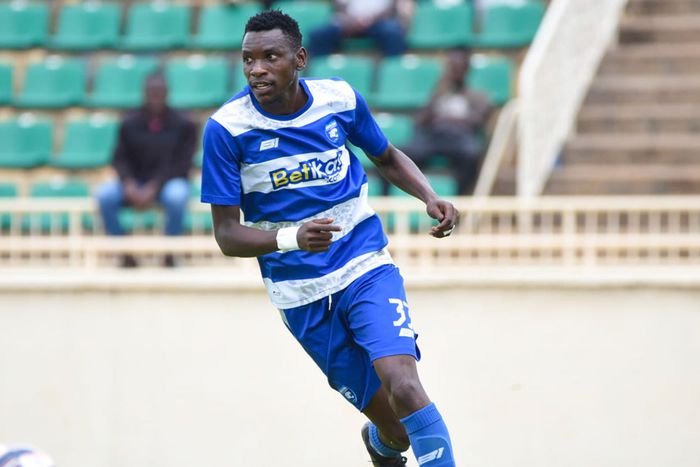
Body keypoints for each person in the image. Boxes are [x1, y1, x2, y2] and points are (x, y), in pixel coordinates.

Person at [201, 11, 458, 466]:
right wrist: (291, 239)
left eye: (270, 57)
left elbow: (385, 155)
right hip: (301, 295)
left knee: (405, 386)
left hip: (364, 264)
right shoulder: (227, 130)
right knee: (398, 431)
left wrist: (429, 195)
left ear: (299, 58)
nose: (257, 69)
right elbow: (226, 235)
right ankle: (381, 443)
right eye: (248, 59)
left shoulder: (338, 99)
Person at [96, 72, 197, 268]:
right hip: (134, 183)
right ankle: (124, 253)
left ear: (167, 93)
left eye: (159, 92)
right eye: (152, 92)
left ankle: (170, 253)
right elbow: (119, 158)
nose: (155, 97)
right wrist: (128, 182)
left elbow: (182, 163)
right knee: (105, 195)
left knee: (177, 196)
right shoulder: (129, 121)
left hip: (168, 183)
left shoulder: (184, 123)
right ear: (144, 93)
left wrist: (155, 185)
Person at [402, 47, 493, 195]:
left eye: (459, 66)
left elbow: (478, 119)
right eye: (452, 66)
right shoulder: (439, 93)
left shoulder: (477, 96)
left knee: (471, 154)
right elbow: (421, 120)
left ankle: (461, 196)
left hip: (459, 140)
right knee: (399, 156)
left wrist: (446, 118)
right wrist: (439, 91)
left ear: (466, 69)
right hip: (434, 138)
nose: (455, 70)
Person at [306, 0, 411, 57]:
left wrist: (370, 20)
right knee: (319, 35)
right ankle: (318, 80)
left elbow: (390, 7)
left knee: (392, 33)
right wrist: (354, 21)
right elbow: (339, 6)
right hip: (349, 22)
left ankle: (394, 76)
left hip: (379, 22)